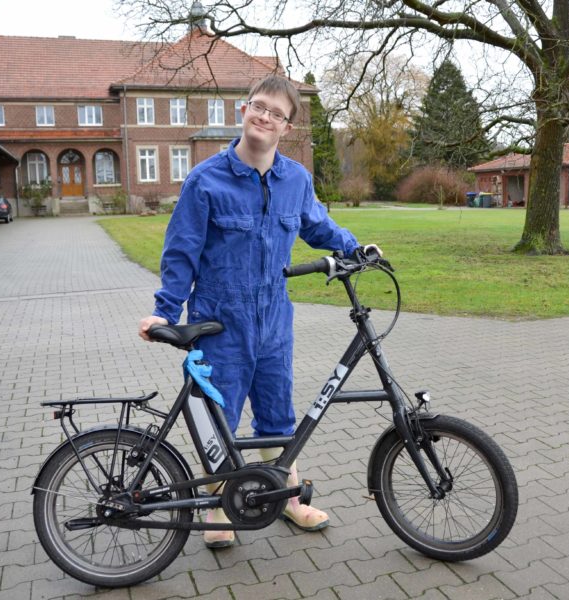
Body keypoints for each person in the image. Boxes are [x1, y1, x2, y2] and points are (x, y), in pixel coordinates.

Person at [139, 75, 376, 549]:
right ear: (244, 110)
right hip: (219, 321)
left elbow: (318, 225)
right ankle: (216, 507)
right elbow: (181, 251)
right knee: (219, 416)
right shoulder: (206, 180)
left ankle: (285, 497)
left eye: (276, 113)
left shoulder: (296, 180)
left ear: (286, 127)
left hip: (274, 320)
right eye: (259, 107)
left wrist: (356, 248)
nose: (265, 117)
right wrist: (165, 311)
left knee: (276, 412)